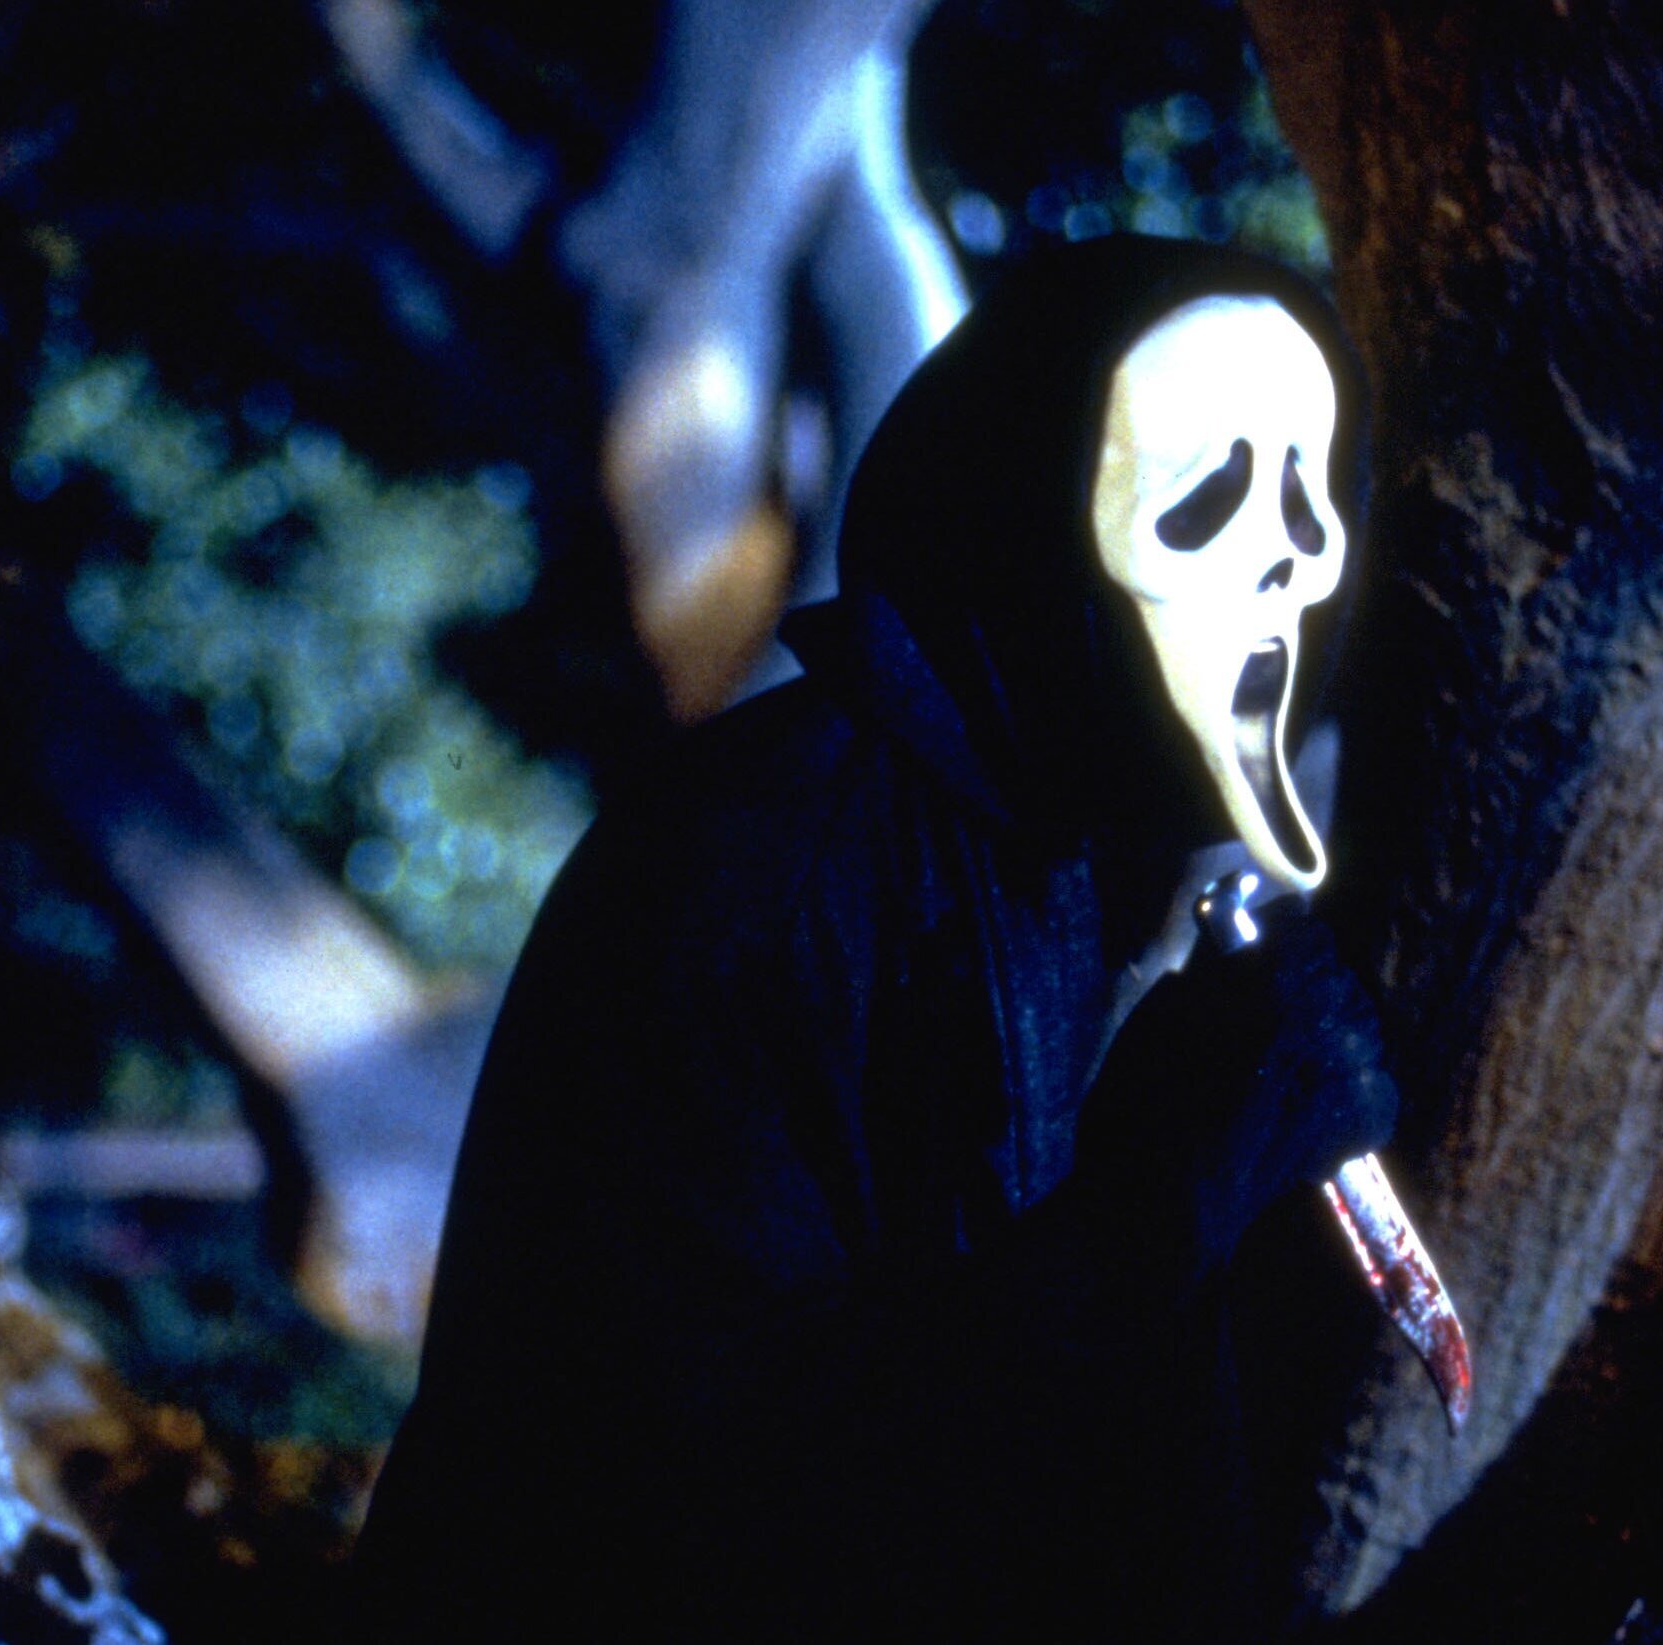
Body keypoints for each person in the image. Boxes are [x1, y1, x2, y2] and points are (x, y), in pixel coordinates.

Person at [355, 234, 1400, 1640]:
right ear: (1033, 516)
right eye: (1205, 499)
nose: (1289, 565)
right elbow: (696, 1504)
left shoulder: (1036, 856)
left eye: (1311, 502)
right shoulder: (762, 875)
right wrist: (1170, 1186)